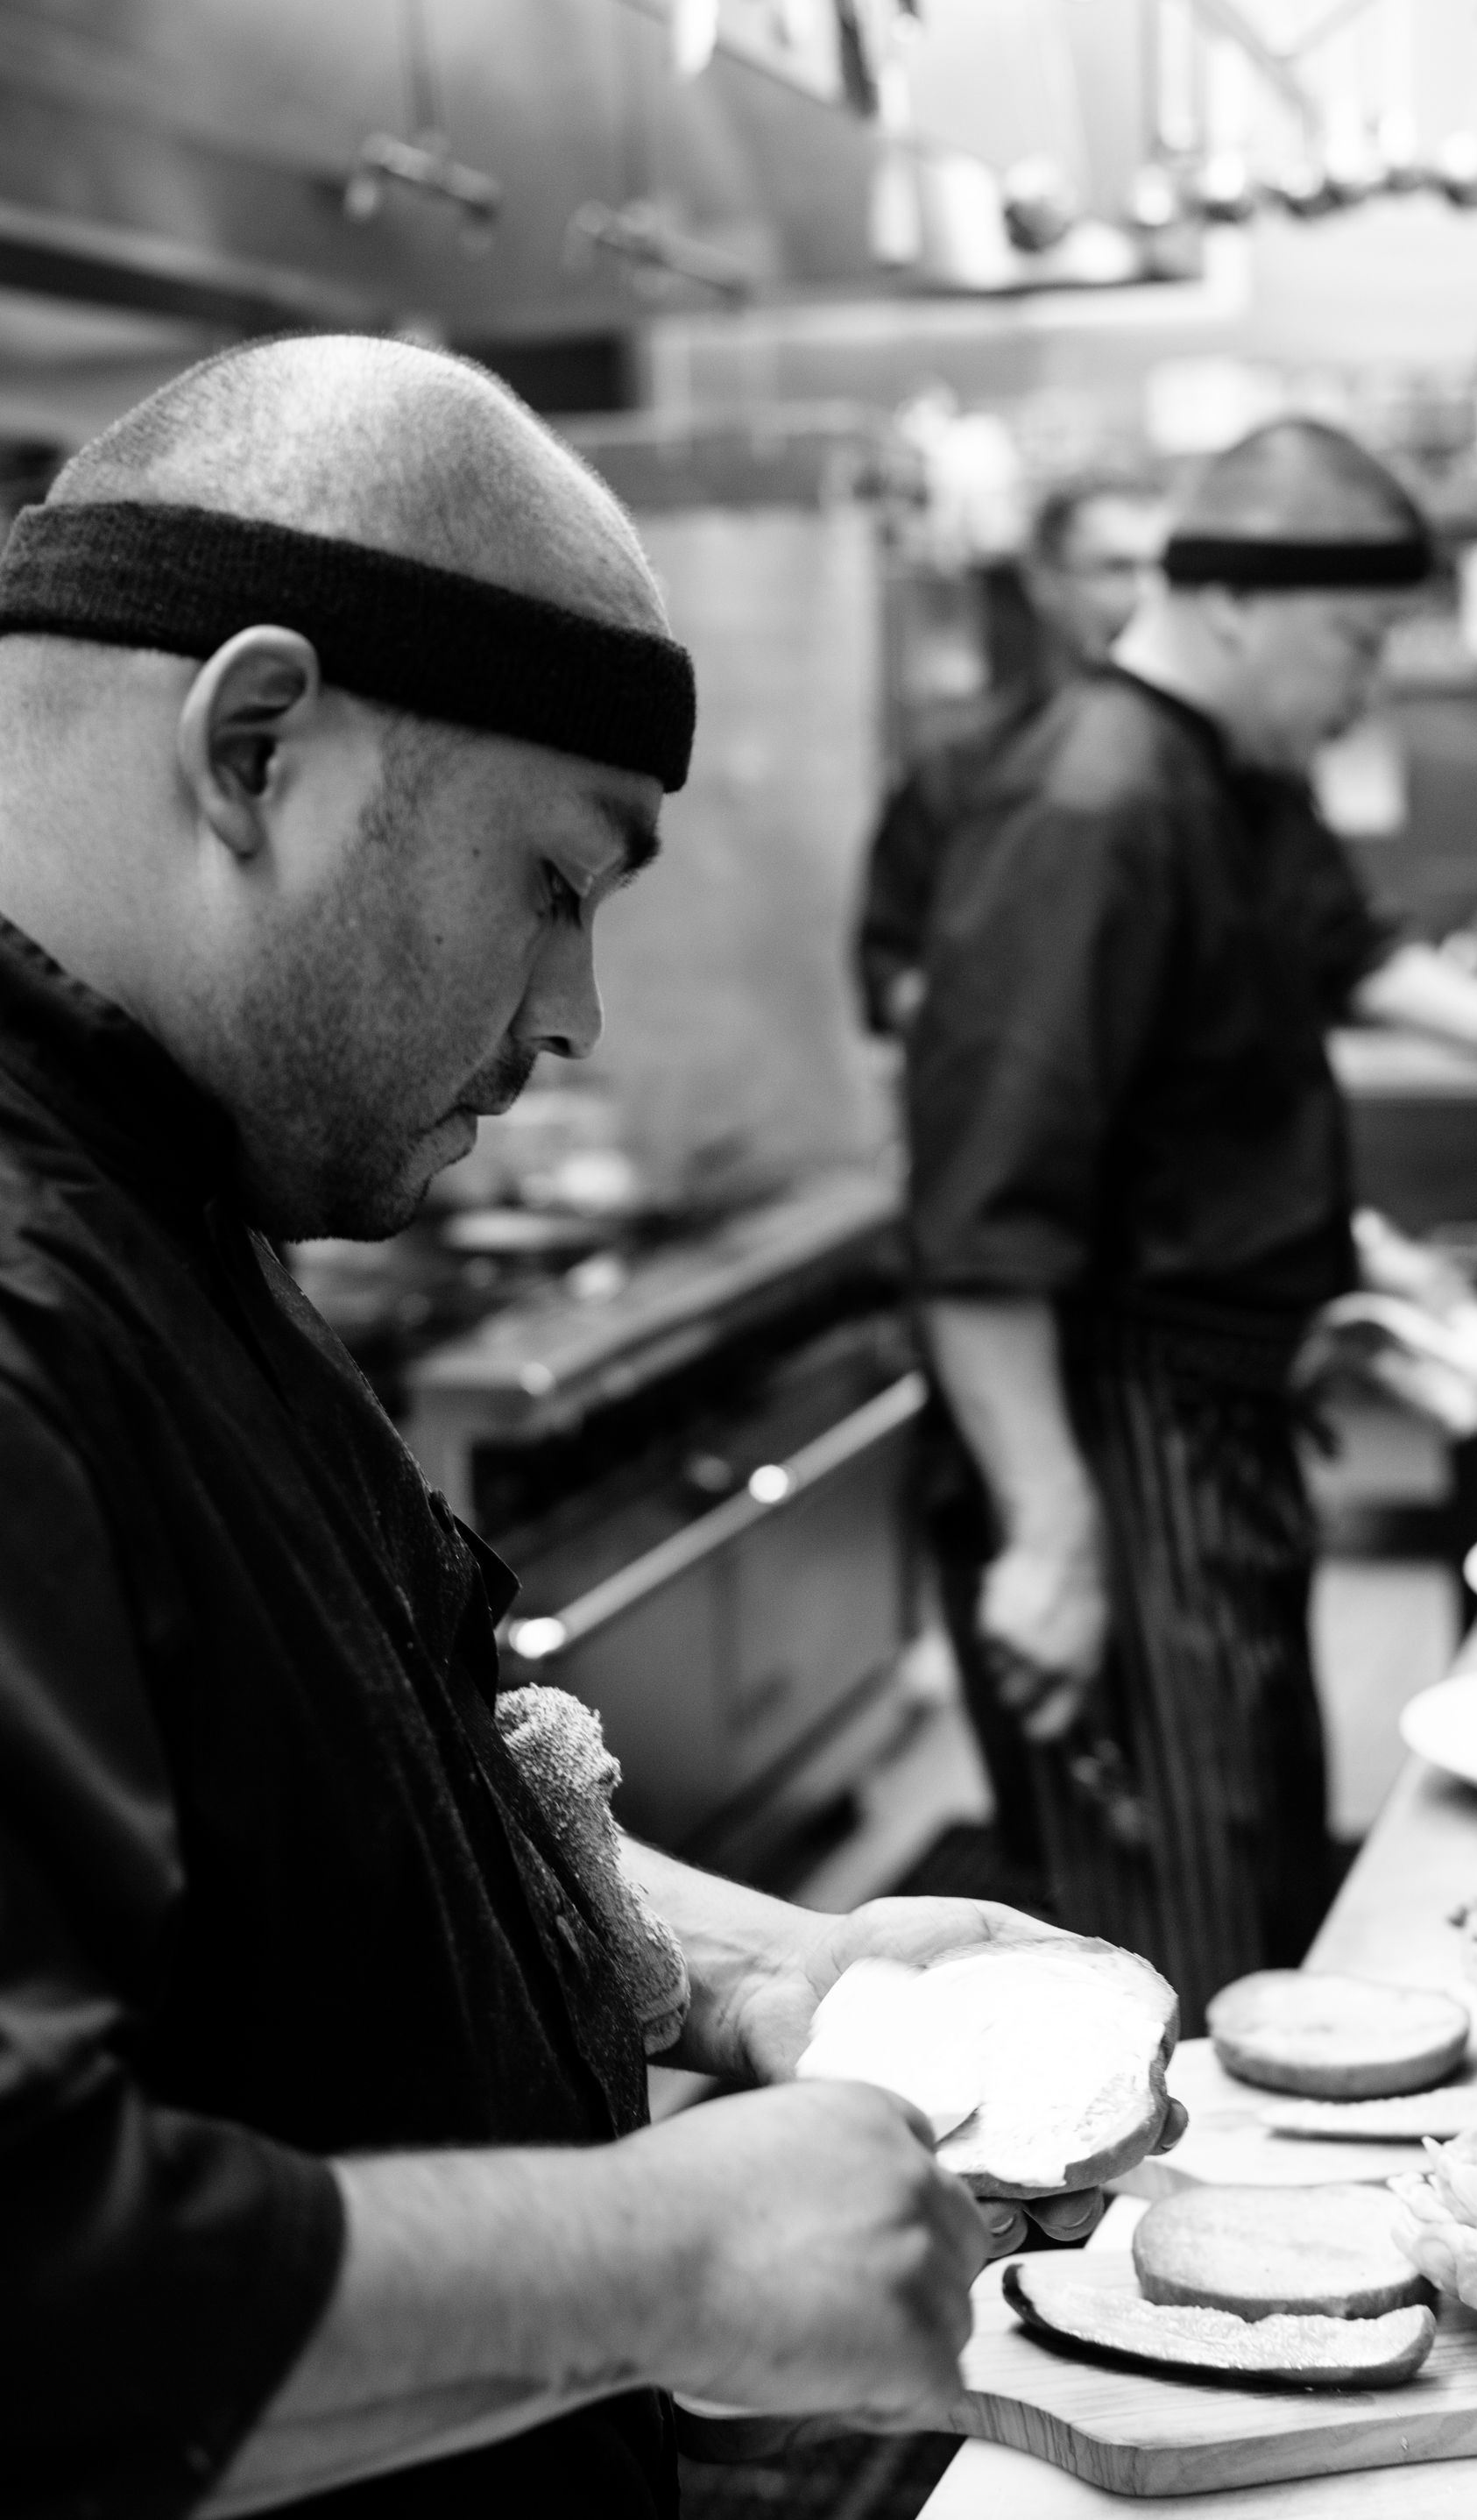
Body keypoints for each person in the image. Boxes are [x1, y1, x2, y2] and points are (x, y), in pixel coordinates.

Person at [0, 337, 1179, 2520]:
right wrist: (673, 2251)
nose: (573, 1016)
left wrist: (753, 1965)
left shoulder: (164, 1179)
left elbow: (327, 1793)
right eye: (557, 879)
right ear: (255, 743)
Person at [904, 418, 1477, 2025]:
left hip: (1222, 1420)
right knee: (1163, 1950)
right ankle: (1137, 2266)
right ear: (1238, 601)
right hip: (1111, 1433)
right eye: (1360, 640)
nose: (1369, 683)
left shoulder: (1232, 771)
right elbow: (980, 1223)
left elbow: (1331, 947)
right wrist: (1050, 1532)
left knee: (1245, 1871)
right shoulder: (1090, 807)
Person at [857, 471, 1163, 1038]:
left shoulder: (1214, 771)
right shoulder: (958, 775)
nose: (1146, 595)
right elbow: (887, 962)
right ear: (1043, 583)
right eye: (1116, 569)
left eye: (1162, 570)